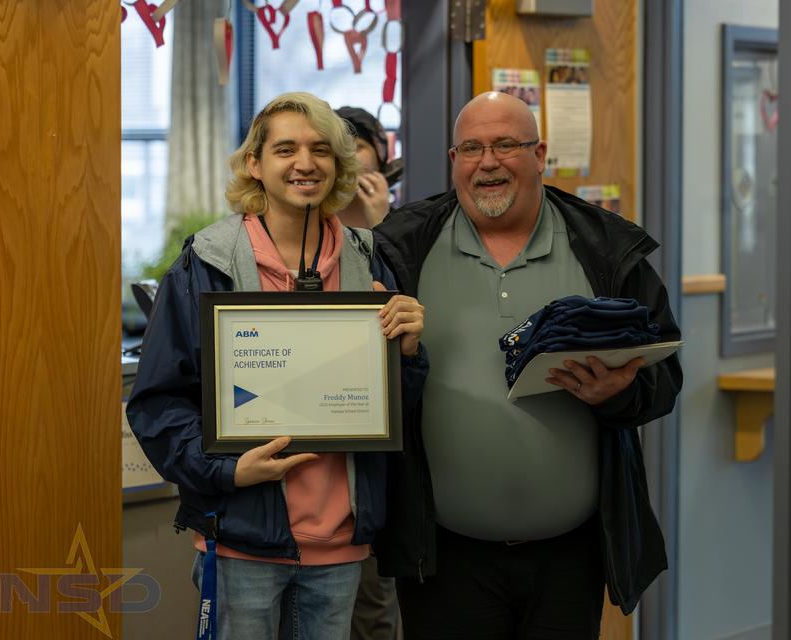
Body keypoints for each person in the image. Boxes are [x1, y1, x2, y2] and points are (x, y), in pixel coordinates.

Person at [371, 91, 683, 639]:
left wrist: (616, 394)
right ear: (453, 160)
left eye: (505, 145)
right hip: (442, 559)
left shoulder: (605, 249)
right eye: (471, 147)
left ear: (539, 155)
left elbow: (664, 379)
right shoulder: (399, 249)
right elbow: (370, 390)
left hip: (569, 558)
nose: (487, 162)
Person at [126, 91, 427, 640]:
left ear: (340, 165)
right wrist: (227, 471)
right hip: (243, 542)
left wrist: (406, 357)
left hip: (341, 546)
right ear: (254, 165)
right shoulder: (205, 264)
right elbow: (157, 403)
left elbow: (396, 411)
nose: (305, 163)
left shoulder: (370, 260)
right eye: (285, 149)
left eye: (320, 150)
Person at [335, 106, 404, 640]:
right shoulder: (300, 238)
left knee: (374, 612)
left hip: (376, 477)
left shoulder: (398, 237)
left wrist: (377, 228)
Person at [335, 106, 398, 229]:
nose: (348, 156)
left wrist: (381, 223)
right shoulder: (308, 219)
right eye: (339, 149)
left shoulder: (406, 223)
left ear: (379, 156)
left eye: (358, 147)